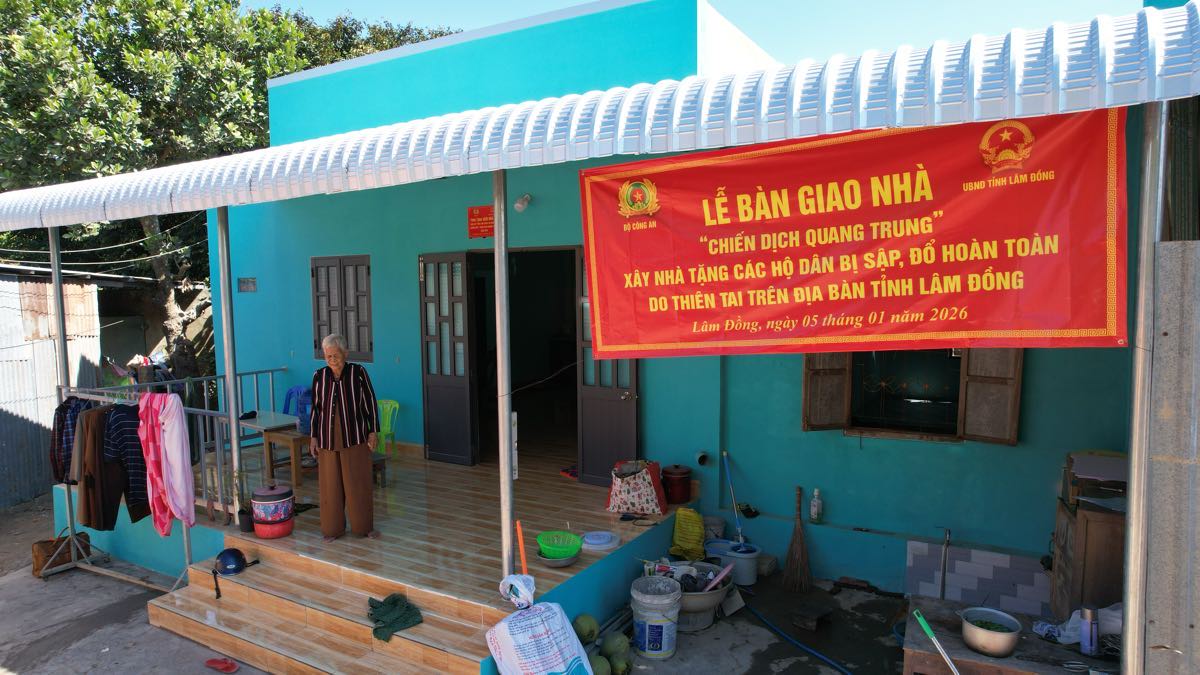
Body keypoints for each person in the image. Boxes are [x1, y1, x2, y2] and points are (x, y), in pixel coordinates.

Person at [310, 333, 380, 542]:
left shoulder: (358, 373)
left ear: (345, 353)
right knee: (330, 487)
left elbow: (370, 403)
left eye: (335, 355)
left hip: (355, 437)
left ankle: (363, 527)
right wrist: (313, 437)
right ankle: (332, 530)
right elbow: (316, 409)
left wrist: (373, 431)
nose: (332, 360)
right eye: (328, 356)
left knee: (358, 483)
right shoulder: (319, 376)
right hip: (327, 440)